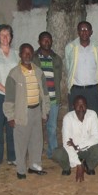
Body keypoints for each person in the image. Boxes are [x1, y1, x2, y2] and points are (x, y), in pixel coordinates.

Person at [3, 43, 50, 180]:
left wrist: (45, 111)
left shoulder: (38, 72)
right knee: (21, 142)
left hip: (36, 110)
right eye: (25, 52)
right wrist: (10, 116)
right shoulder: (14, 74)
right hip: (22, 113)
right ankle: (21, 170)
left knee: (37, 141)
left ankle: (34, 167)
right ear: (20, 55)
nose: (27, 55)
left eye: (30, 53)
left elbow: (45, 94)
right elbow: (9, 98)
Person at [52, 95, 98, 182]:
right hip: (72, 150)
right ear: (73, 106)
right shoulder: (68, 118)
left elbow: (96, 138)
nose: (81, 108)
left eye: (83, 105)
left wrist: (78, 146)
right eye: (78, 105)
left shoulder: (92, 114)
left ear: (87, 106)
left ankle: (88, 166)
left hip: (86, 150)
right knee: (57, 153)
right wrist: (79, 165)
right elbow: (67, 143)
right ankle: (67, 168)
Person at [0, 24, 19, 171]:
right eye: (2, 35)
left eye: (7, 34)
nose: (5, 38)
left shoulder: (16, 54)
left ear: (11, 37)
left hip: (14, 96)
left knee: (12, 127)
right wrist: (5, 89)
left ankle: (12, 157)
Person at [33, 31, 63, 159]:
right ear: (39, 42)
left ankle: (53, 152)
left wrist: (58, 98)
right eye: (44, 40)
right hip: (38, 100)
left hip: (53, 99)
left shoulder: (56, 59)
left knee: (52, 127)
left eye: (49, 40)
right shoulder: (33, 58)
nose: (47, 42)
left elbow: (58, 78)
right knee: (37, 128)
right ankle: (36, 153)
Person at [65, 21, 98, 117]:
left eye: (86, 29)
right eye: (81, 29)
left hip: (93, 90)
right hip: (76, 89)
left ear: (91, 32)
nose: (84, 31)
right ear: (78, 32)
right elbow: (68, 67)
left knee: (93, 117)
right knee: (75, 117)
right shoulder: (70, 47)